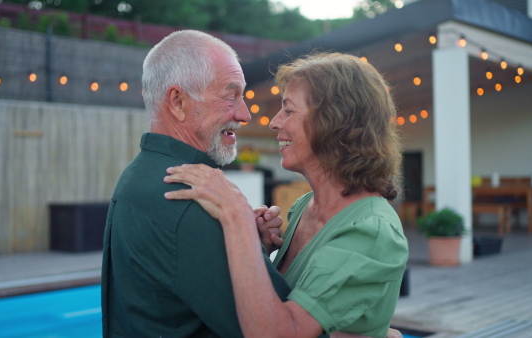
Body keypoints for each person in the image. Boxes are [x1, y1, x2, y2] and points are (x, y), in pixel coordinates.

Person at [165, 52, 409, 338]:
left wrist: (236, 220)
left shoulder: (372, 230)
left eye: (288, 110)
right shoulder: (304, 206)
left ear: (333, 122)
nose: (274, 122)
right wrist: (258, 249)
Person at [100, 30, 291, 337]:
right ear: (178, 101)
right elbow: (283, 330)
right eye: (231, 95)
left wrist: (249, 245)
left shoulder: (140, 173)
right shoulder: (192, 199)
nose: (244, 114)